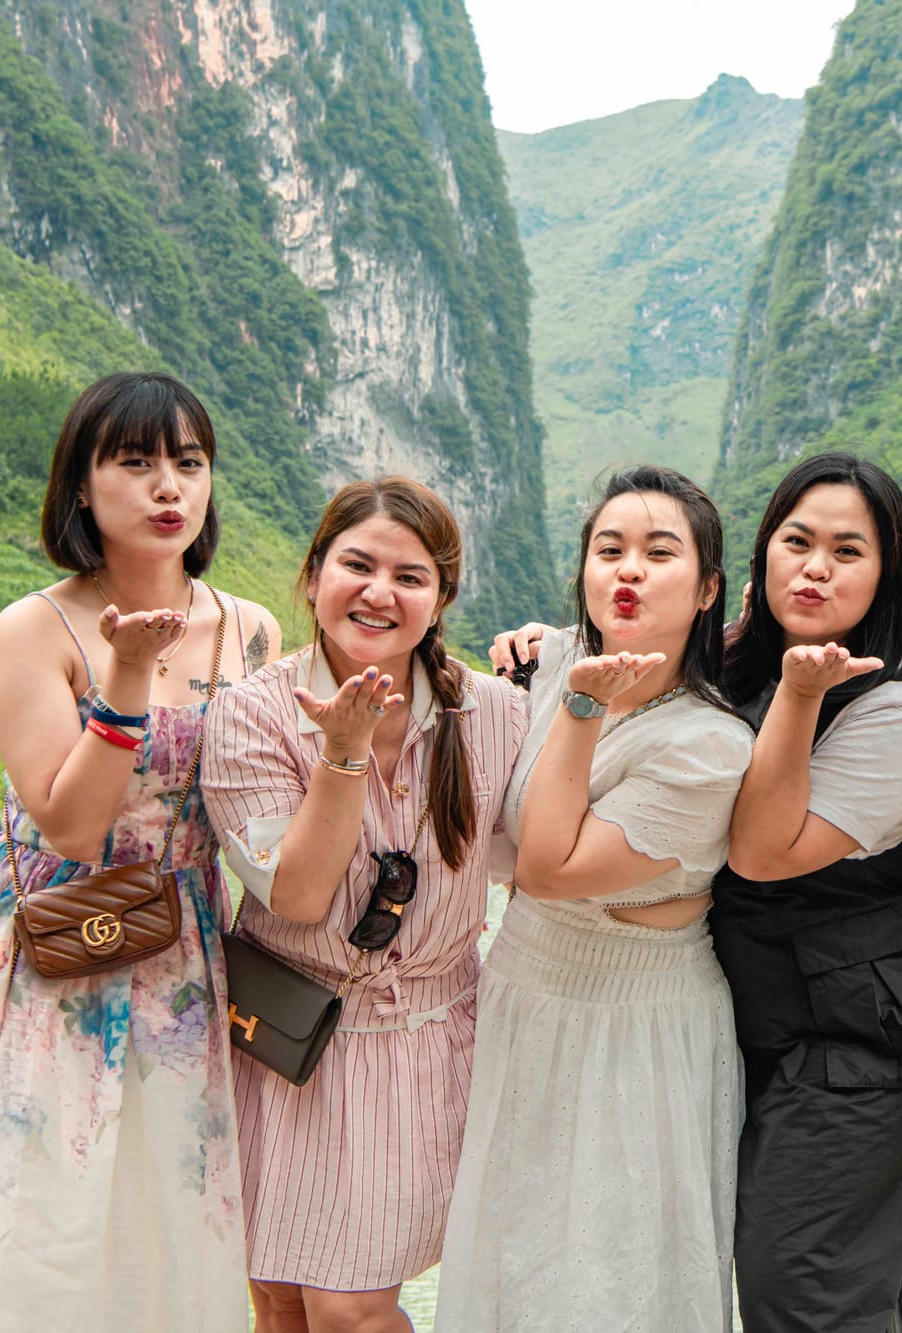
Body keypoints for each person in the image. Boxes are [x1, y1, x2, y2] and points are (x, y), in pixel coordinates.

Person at [0, 372, 280, 1333]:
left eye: (189, 462)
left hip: (180, 946)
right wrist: (125, 676)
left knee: (165, 1208)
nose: (167, 486)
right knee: (39, 1202)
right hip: (49, 942)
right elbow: (72, 827)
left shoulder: (251, 631)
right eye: (135, 462)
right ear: (81, 485)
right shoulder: (33, 628)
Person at [199, 478, 529, 1333]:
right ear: (314, 576)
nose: (380, 592)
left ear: (441, 598)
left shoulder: (494, 712)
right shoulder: (250, 717)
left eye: (410, 576)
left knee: (349, 1307)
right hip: (282, 1043)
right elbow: (297, 894)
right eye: (358, 565)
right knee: (280, 1298)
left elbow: (539, 857)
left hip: (426, 1045)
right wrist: (341, 756)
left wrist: (565, 668)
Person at [436, 465, 755, 1332]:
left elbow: (548, 866)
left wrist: (580, 707)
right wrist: (557, 676)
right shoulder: (552, 664)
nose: (629, 569)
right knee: (509, 1265)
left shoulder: (710, 746)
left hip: (637, 1026)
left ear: (708, 588)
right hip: (522, 995)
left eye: (660, 552)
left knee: (617, 1280)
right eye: (609, 549)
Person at [711, 452, 902, 1332]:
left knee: (801, 1290)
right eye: (797, 541)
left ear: (885, 576)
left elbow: (763, 853)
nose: (815, 567)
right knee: (844, 1289)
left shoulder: (897, 711)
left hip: (853, 1041)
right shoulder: (731, 672)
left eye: (848, 551)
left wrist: (803, 693)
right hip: (750, 1026)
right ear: (762, 553)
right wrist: (540, 650)